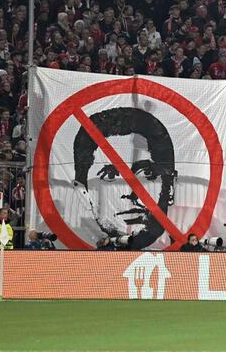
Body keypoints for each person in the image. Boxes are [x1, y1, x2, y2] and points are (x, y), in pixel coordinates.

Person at [72, 107, 178, 250]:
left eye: (146, 174)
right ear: (82, 192)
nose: (132, 194)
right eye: (110, 176)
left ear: (170, 187)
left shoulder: (182, 250)